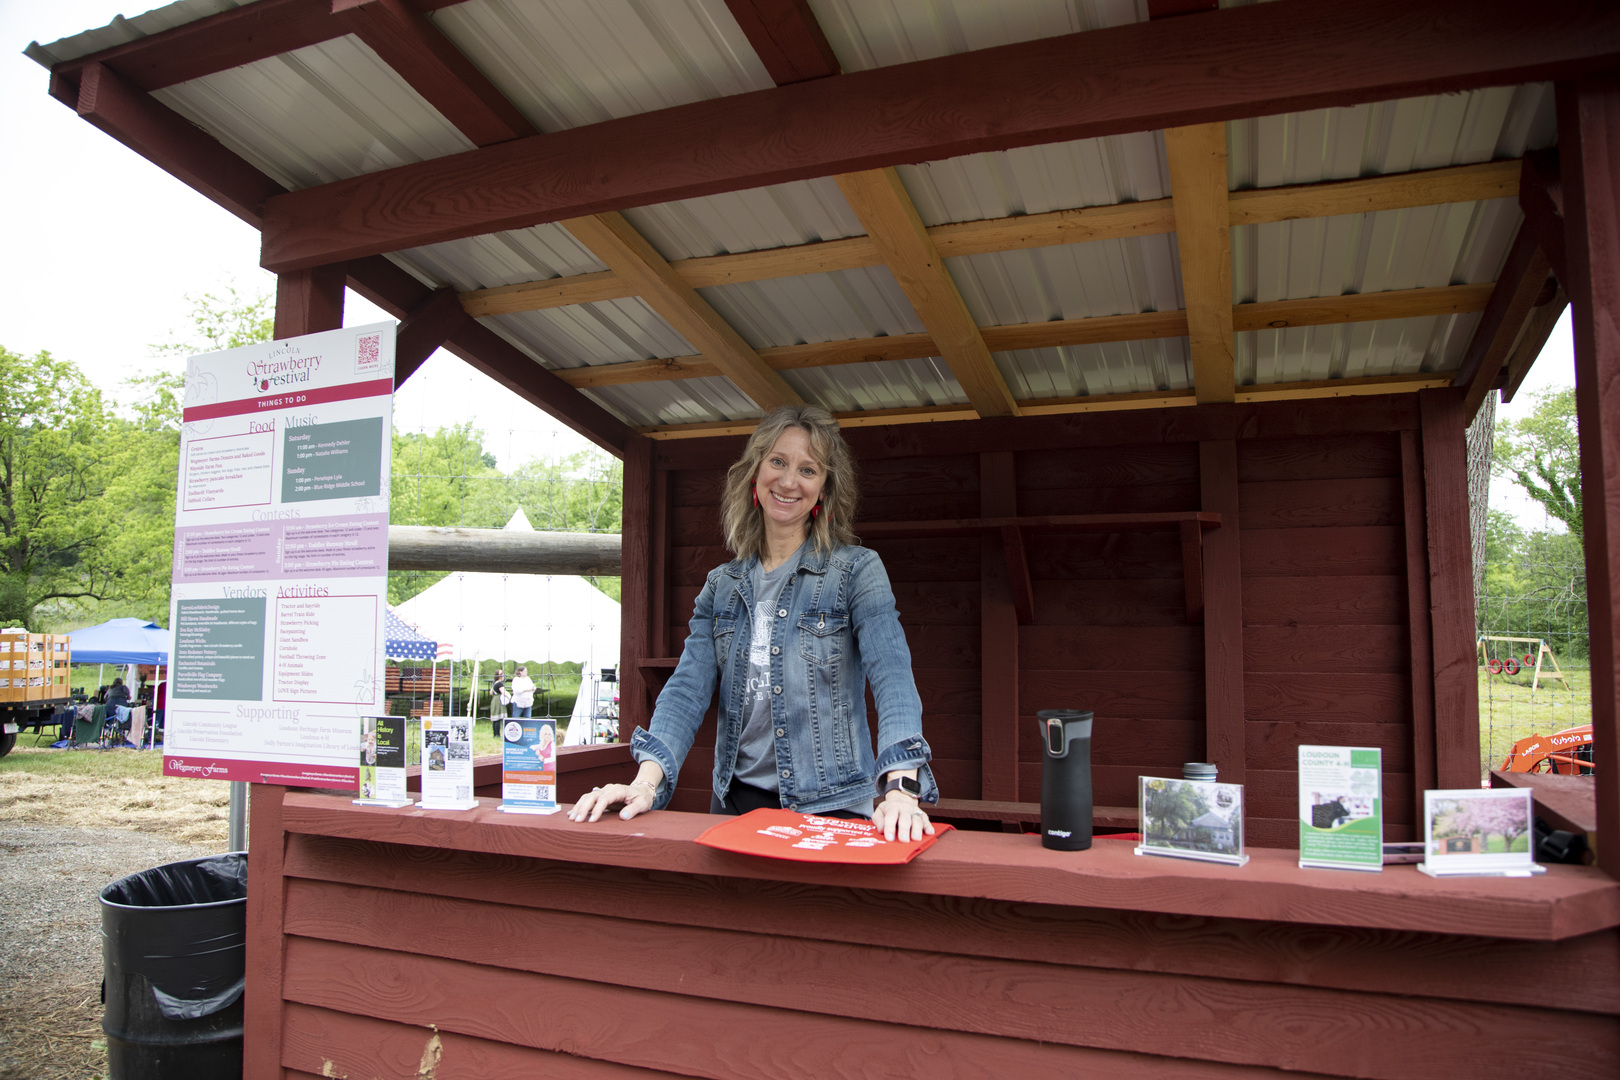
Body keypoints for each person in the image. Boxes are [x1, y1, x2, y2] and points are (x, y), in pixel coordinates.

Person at [569, 404, 936, 841]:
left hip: (831, 805)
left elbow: (892, 674)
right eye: (777, 461)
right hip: (734, 804)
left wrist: (900, 789)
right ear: (754, 475)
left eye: (808, 469)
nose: (788, 480)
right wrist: (644, 783)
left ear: (824, 489)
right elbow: (686, 690)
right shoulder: (721, 586)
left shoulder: (855, 571)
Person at [489, 669, 508, 736]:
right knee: (498, 718)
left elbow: (491, 693)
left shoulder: (494, 683)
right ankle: (498, 734)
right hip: (499, 700)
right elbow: (503, 692)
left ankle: (495, 734)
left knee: (495, 719)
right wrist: (509, 697)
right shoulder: (500, 684)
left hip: (494, 699)